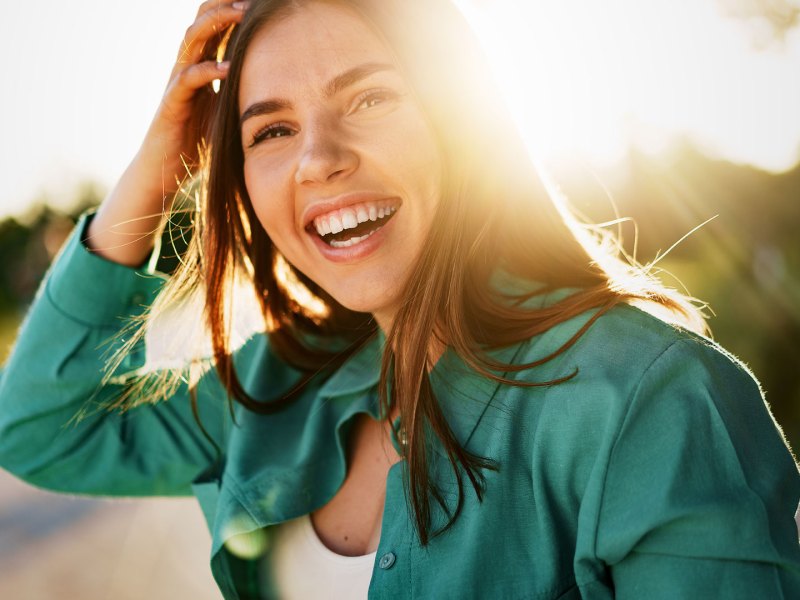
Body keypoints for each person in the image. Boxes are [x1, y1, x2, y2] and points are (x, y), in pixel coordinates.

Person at [1, 0, 799, 598]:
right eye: (269, 132)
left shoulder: (654, 399)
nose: (318, 158)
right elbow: (39, 428)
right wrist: (158, 157)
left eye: (369, 98)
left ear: (465, 123)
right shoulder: (276, 386)